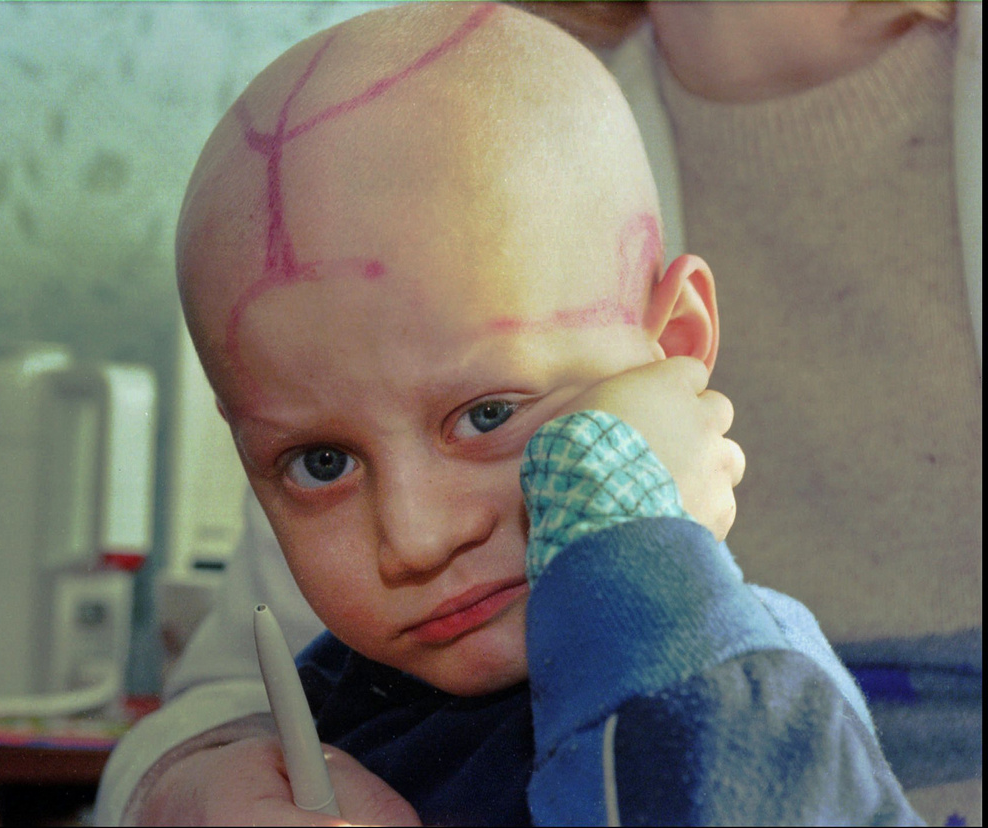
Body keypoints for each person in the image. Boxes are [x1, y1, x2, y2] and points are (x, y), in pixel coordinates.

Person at [96, 4, 925, 825]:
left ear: (673, 348)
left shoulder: (739, 676)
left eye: (488, 414)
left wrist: (631, 560)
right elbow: (209, 711)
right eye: (322, 463)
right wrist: (193, 785)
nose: (416, 537)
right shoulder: (339, 711)